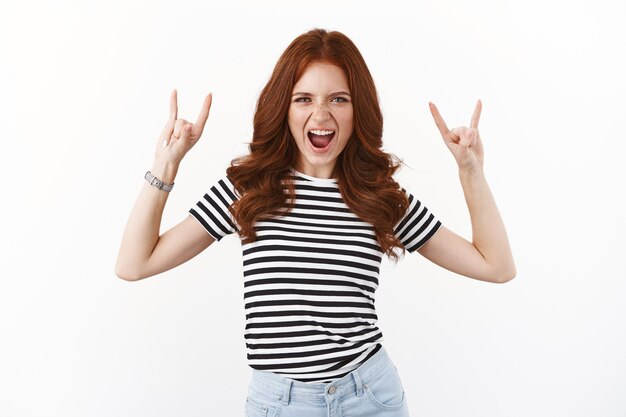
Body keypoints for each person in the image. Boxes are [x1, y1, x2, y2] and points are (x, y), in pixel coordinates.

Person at [115, 28, 515, 417]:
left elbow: (495, 266)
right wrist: (166, 164)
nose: (321, 114)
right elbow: (134, 265)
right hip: (280, 403)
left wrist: (471, 171)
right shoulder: (248, 190)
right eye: (303, 98)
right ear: (283, 108)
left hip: (371, 397)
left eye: (339, 99)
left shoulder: (379, 197)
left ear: (358, 111)